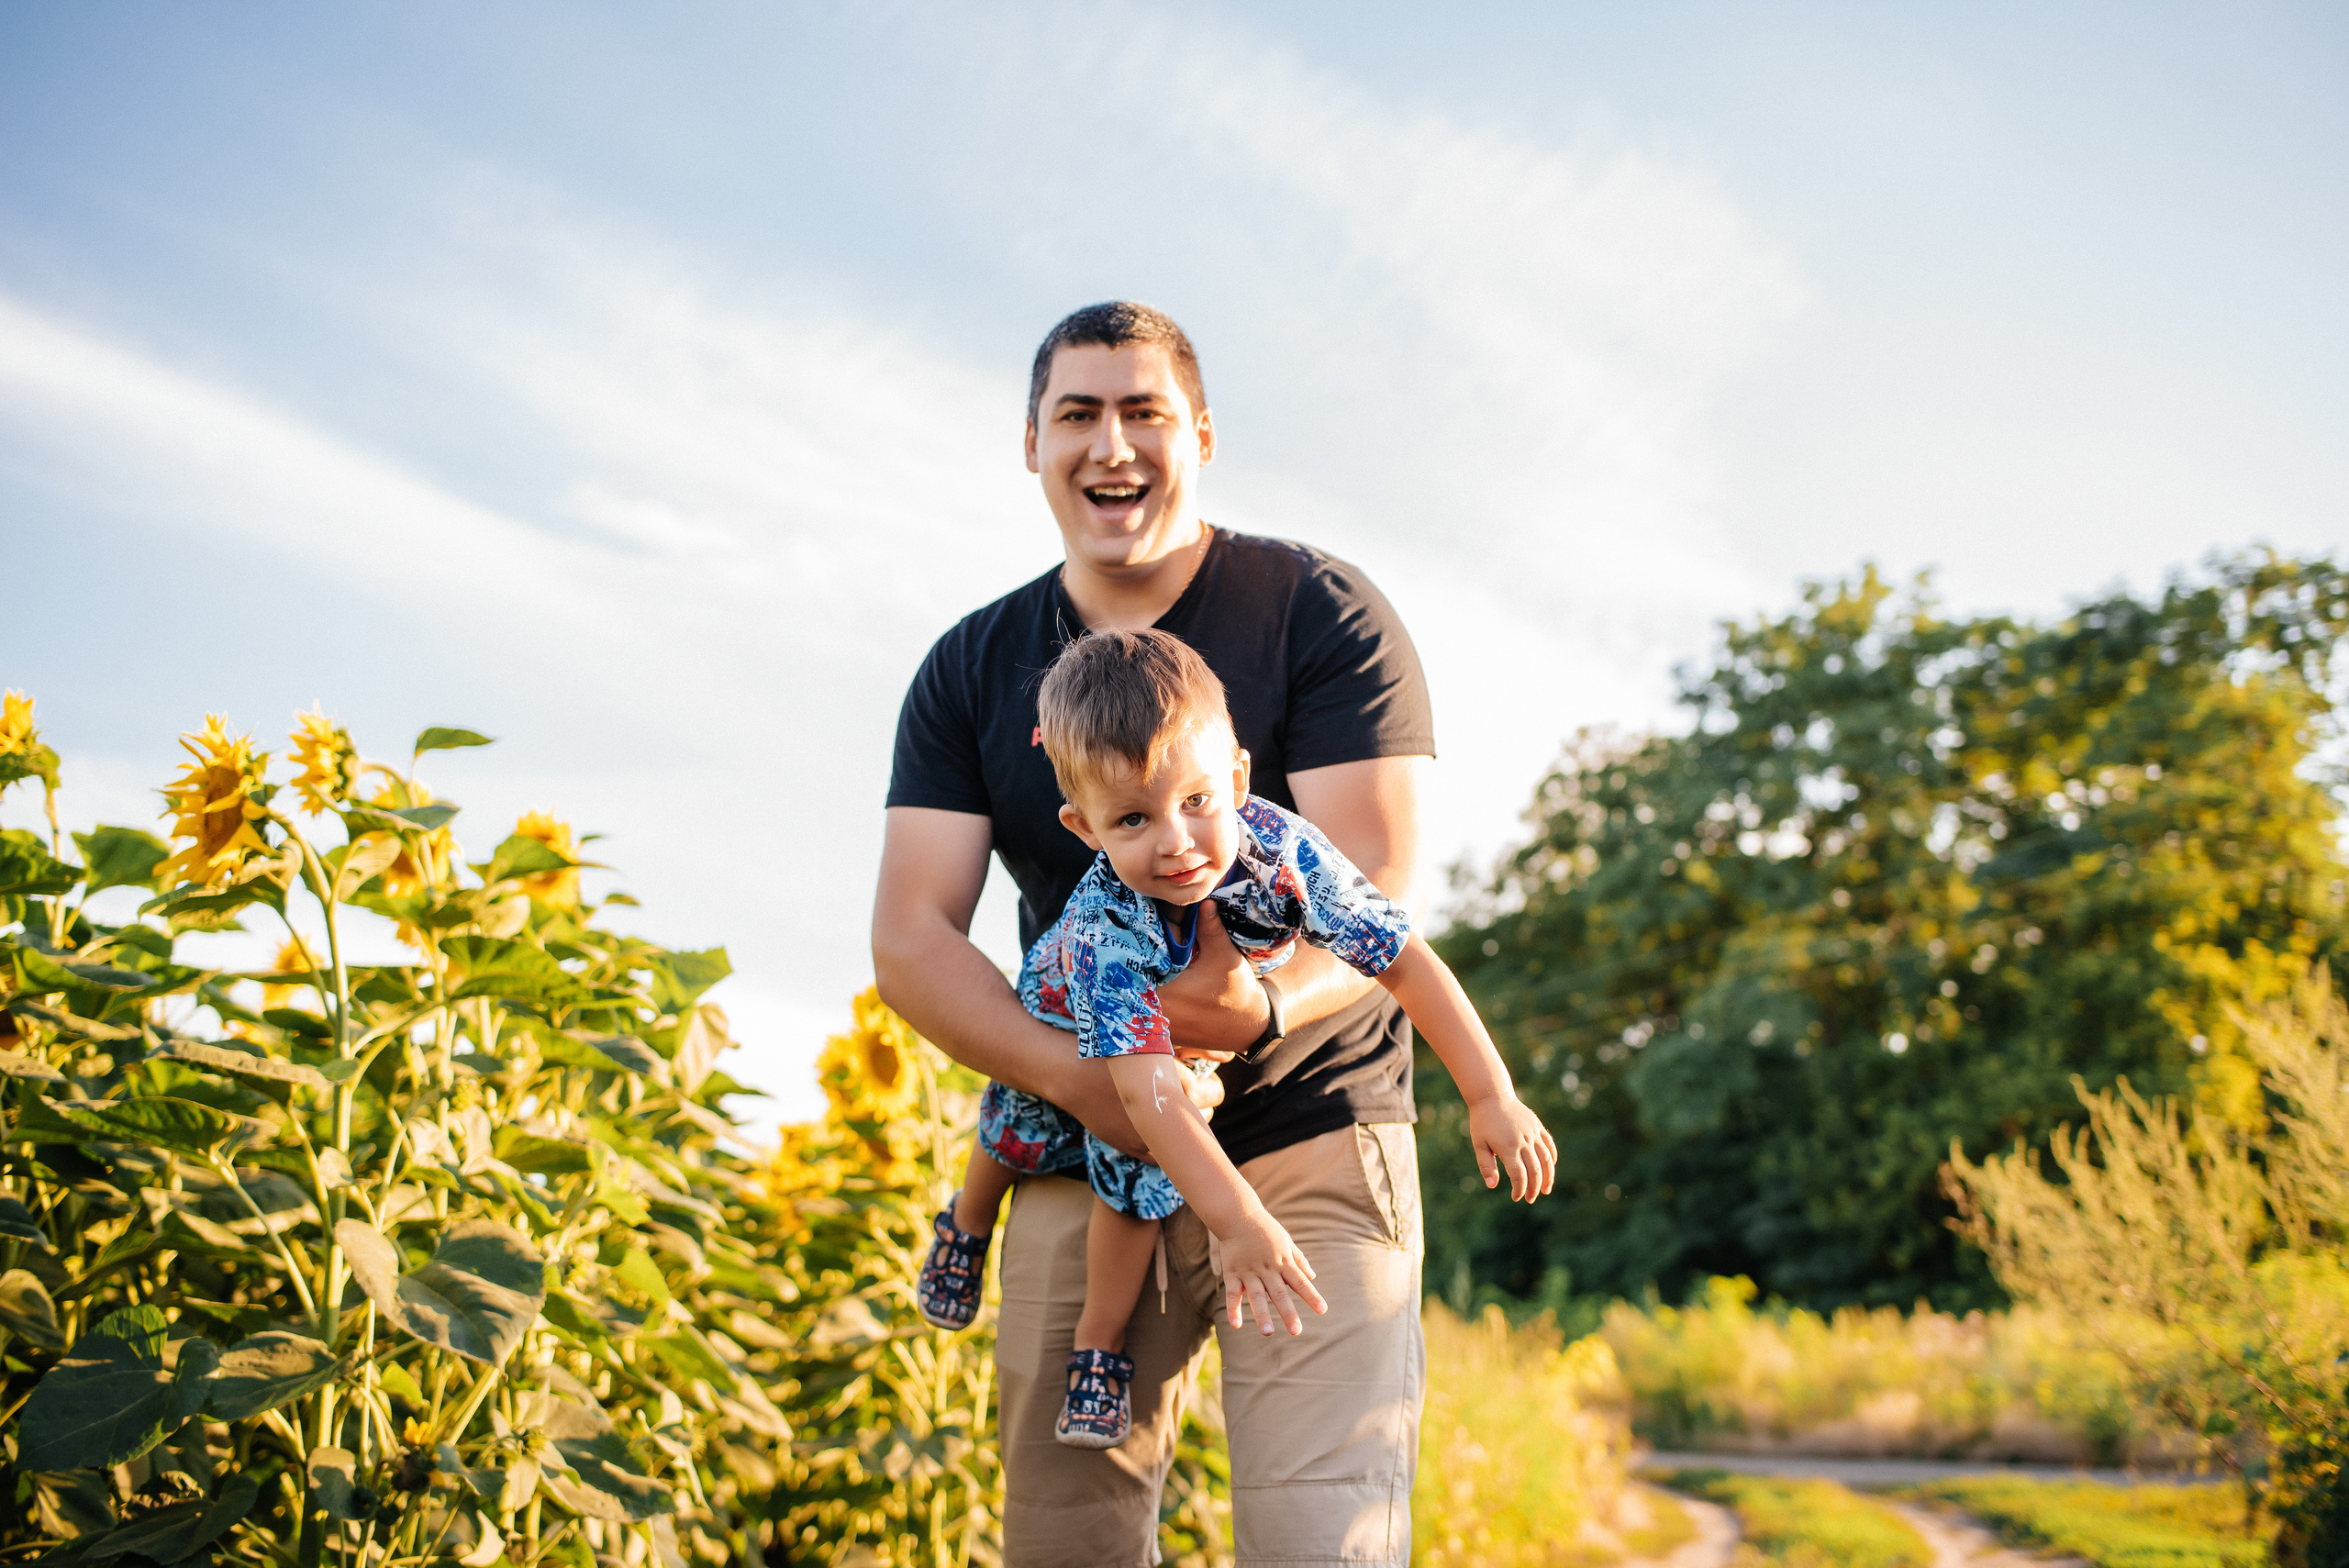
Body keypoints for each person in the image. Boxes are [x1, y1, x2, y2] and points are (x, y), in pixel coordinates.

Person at [874, 300, 1523, 1564]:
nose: (1111, 444)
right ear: (1032, 443)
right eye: (1078, 413)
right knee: (1067, 1535)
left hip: (1317, 1134)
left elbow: (1379, 882)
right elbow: (911, 937)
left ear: (1201, 435)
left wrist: (1261, 1005)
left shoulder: (1318, 609)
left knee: (1322, 1537)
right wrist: (1088, 1080)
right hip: (1086, 1138)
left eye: (1144, 412)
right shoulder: (969, 667)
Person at [913, 629, 1554, 1456]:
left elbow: (1402, 957)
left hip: (1164, 1045)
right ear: (1083, 827)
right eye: (1133, 819)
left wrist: (1490, 1091)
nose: (1175, 841)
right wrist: (1239, 1216)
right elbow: (1144, 1095)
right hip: (1064, 1017)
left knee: (1135, 1186)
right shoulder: (1105, 923)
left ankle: (1096, 1351)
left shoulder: (1286, 854)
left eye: (1197, 802)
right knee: (1013, 1124)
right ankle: (964, 1227)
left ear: (1240, 778)